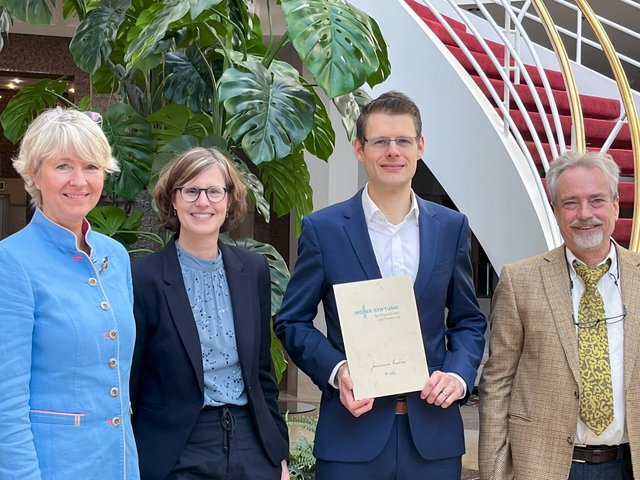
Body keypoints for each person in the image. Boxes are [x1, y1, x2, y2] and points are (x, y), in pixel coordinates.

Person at [274, 91, 487, 479]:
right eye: (380, 141)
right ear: (359, 149)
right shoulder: (324, 230)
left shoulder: (451, 227)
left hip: (433, 437)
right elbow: (292, 322)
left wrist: (457, 375)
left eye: (403, 140)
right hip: (352, 434)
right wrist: (337, 371)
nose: (393, 151)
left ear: (420, 147)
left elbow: (468, 321)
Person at [479, 150, 640, 479]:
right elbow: (497, 384)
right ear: (555, 211)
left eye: (596, 200)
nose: (584, 214)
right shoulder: (520, 281)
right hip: (544, 467)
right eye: (570, 202)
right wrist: (495, 472)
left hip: (628, 464)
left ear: (615, 204)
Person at [130, 147, 289, 480]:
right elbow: (133, 381)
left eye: (214, 191)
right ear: (172, 199)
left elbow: (262, 372)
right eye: (190, 190)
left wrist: (278, 454)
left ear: (229, 200)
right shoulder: (143, 277)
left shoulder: (253, 269)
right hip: (178, 446)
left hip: (251, 441)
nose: (203, 202)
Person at [0, 107, 139, 479]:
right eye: (63, 166)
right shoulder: (10, 263)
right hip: (52, 468)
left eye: (91, 167)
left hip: (120, 464)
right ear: (33, 174)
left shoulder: (116, 256)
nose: (79, 180)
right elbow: (5, 402)